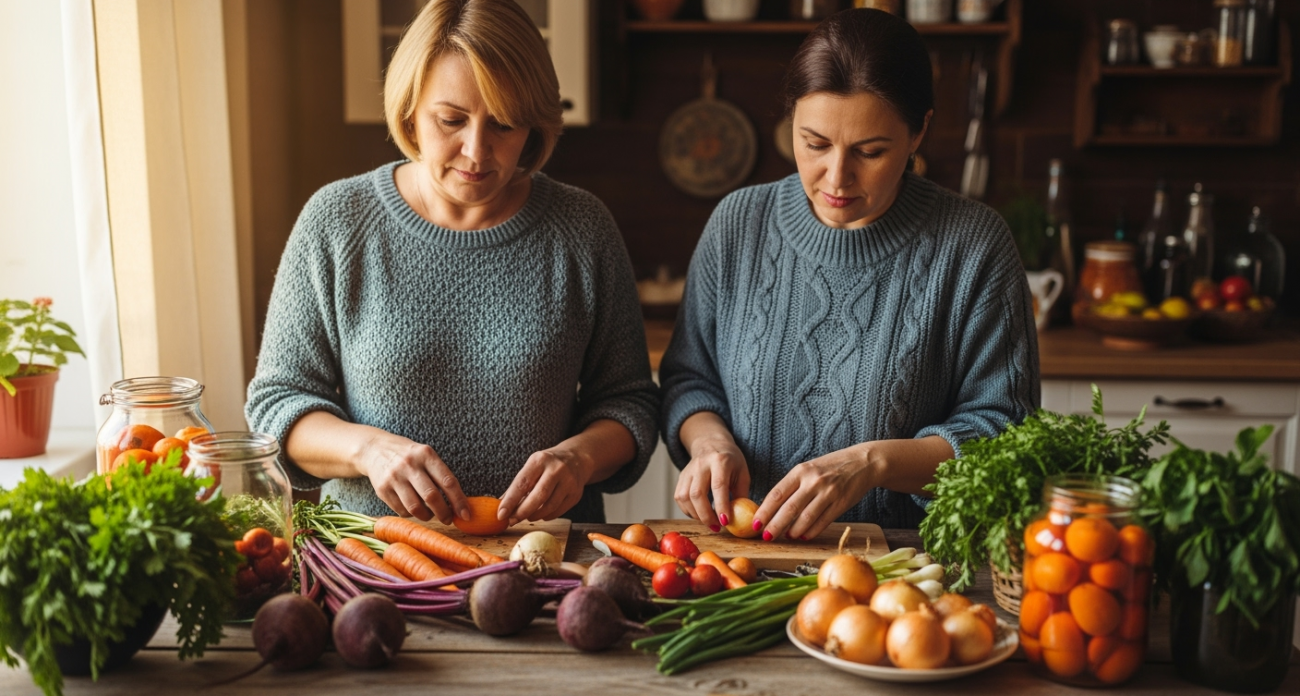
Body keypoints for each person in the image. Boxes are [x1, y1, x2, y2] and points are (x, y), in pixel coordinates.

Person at [245, 0, 658, 525]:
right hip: (374, 560)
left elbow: (629, 403)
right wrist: (368, 451)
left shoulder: (582, 228)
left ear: (534, 126)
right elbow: (277, 405)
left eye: (504, 125)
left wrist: (579, 457)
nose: (477, 152)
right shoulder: (337, 221)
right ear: (410, 108)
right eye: (451, 120)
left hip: (542, 557)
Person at [659, 8, 1038, 538]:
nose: (836, 177)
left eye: (870, 151)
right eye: (814, 144)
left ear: (918, 133)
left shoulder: (973, 245)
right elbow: (690, 380)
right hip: (746, 560)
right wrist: (709, 442)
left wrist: (873, 464)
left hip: (905, 571)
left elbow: (1003, 433)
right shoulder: (738, 223)